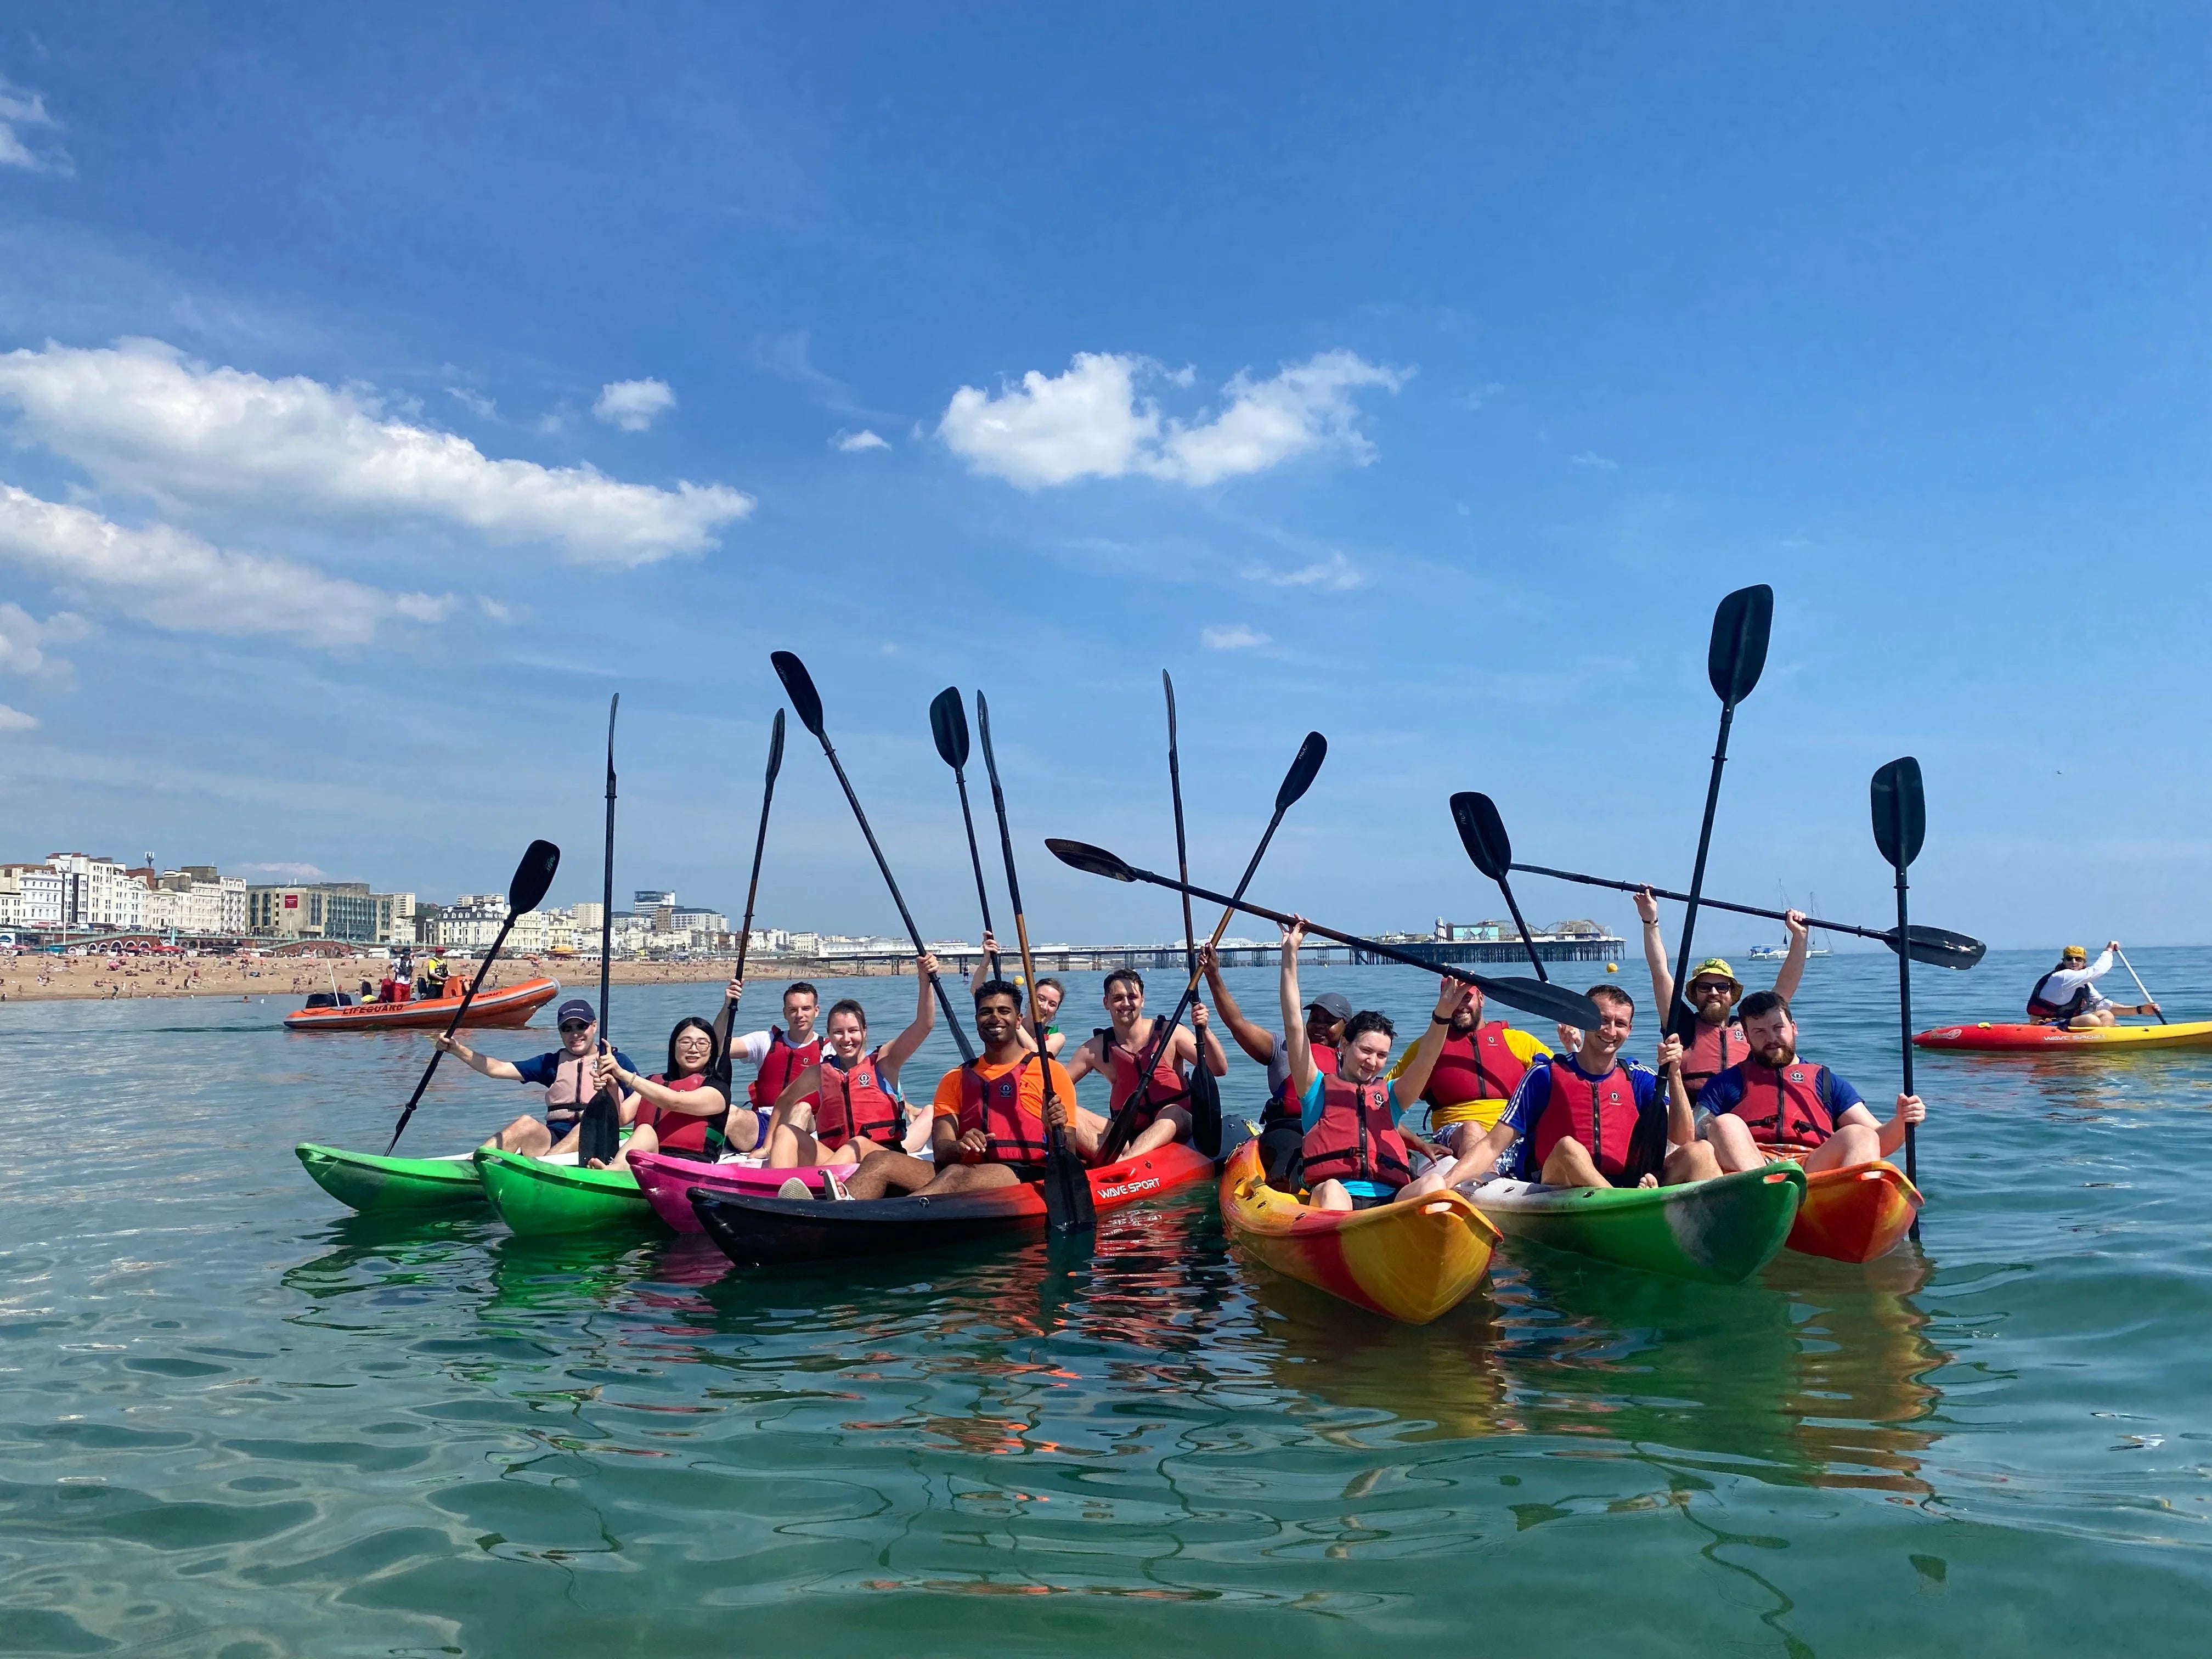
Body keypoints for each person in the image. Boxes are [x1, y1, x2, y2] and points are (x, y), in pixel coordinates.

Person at [1415, 983, 1719, 1193]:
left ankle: (1720, 1249)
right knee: (1569, 1148)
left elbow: (1682, 1137)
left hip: (1630, 1185)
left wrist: (1675, 1074)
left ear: (1630, 1029)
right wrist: (1448, 1181)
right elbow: (1493, 1145)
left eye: (1620, 1024)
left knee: (1702, 1151)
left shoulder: (1637, 1076)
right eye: (1602, 1020)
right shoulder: (1544, 1075)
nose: (1611, 1032)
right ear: (1582, 1019)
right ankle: (1619, 1207)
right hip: (1559, 1184)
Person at [842, 978, 1098, 1199]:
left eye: (1004, 1011)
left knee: (956, 1175)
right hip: (966, 1171)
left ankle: (886, 1220)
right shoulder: (955, 1078)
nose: (995, 1018)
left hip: (1025, 1173)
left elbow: (1069, 1153)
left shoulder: (1050, 1073)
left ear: (1018, 1019)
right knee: (879, 1160)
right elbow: (942, 1151)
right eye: (986, 1012)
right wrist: (960, 1146)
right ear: (977, 1020)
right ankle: (836, 1213)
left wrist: (1051, 1127)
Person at [1272, 919, 1462, 1211]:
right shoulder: (1315, 1089)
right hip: (1338, 1201)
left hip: (1389, 1204)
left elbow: (1426, 1059)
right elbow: (1294, 1025)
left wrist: (1444, 1013)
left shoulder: (1391, 1097)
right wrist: (1290, 957)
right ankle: (1339, 1251)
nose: (1373, 1062)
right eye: (1366, 1050)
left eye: (1382, 1055)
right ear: (1345, 1045)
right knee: (1332, 1189)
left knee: (1436, 1185)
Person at [1700, 991, 1926, 1172]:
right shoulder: (1725, 1083)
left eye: (1778, 1028)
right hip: (1753, 1167)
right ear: (1747, 1038)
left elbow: (1880, 1140)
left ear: (1794, 1028)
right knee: (1724, 1124)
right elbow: (1689, 1138)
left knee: (1861, 1134)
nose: (1771, 1039)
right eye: (1759, 1032)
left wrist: (1902, 1121)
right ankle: (1769, 1197)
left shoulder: (1826, 1082)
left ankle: (1848, 1213)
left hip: (1813, 1168)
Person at [765, 955, 940, 1173]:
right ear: (829, 1035)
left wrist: (925, 980)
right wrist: (766, 1146)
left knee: (855, 1144)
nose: (846, 1039)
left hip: (882, 1158)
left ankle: (813, 1185)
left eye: (853, 1031)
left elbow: (924, 1024)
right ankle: (780, 1192)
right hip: (837, 1160)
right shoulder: (819, 1073)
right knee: (786, 1133)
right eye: (838, 1032)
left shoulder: (885, 1062)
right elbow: (785, 1099)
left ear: (865, 1031)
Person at [1637, 888, 1809, 1103]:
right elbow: (1660, 973)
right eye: (1705, 988)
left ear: (1732, 993)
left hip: (1746, 1113)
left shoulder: (1752, 1027)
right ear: (1694, 994)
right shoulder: (1683, 1025)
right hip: (1695, 1114)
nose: (1713, 993)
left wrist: (1799, 938)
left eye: (1721, 987)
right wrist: (1650, 921)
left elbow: (1785, 988)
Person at [1200, 941, 1351, 1186]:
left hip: (1331, 1130)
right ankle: (1282, 1187)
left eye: (1330, 1021)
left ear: (1347, 1028)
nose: (1320, 1026)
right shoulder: (1282, 1047)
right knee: (1291, 1150)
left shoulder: (1353, 1060)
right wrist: (1214, 975)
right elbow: (1236, 1022)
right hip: (1287, 1129)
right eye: (1314, 1019)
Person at [438, 997, 637, 1155]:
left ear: (594, 1026)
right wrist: (457, 1050)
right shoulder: (551, 1063)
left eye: (581, 1026)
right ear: (560, 1032)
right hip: (554, 1138)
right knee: (525, 1123)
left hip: (597, 1144)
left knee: (585, 1125)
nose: (575, 1034)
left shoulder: (616, 1062)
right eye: (567, 1029)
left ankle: (542, 1171)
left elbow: (643, 1097)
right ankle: (472, 1167)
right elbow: (497, 1069)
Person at [1061, 967, 1227, 1157]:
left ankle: (1128, 1161)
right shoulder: (1095, 1049)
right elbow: (1058, 1085)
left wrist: (1204, 1029)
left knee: (1171, 1112)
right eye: (1117, 998)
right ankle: (1111, 1164)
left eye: (1132, 997)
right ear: (1106, 1003)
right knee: (1070, 1111)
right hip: (1127, 1136)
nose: (1125, 1003)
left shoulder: (1170, 1033)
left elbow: (1218, 1068)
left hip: (1180, 1126)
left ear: (1143, 1000)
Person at [1390, 978, 1551, 1154]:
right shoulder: (1426, 1048)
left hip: (1511, 1134)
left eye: (1466, 997)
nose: (1460, 1006)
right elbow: (1380, 1099)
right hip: (1455, 1134)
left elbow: (1561, 1077)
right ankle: (1483, 1179)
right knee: (1471, 1130)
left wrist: (1572, 1048)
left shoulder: (1518, 1041)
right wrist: (1417, 1143)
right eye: (1453, 999)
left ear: (1481, 999)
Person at [585, 1016, 732, 1169]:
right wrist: (613, 1088)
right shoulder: (653, 1082)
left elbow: (675, 1102)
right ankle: (617, 1170)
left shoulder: (718, 1090)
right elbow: (621, 1118)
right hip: (650, 1163)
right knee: (645, 1130)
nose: (693, 1049)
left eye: (702, 1044)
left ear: (712, 1050)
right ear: (674, 1046)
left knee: (645, 1129)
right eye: (685, 1042)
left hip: (692, 1167)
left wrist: (622, 1073)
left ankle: (615, 1171)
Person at [719, 980, 827, 1154]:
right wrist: (727, 1008)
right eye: (793, 1010)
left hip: (806, 1127)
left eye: (806, 1009)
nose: (800, 1015)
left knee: (803, 1108)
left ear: (816, 1011)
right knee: (730, 1112)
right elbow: (716, 1048)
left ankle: (778, 1154)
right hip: (764, 1122)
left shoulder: (828, 1050)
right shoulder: (765, 1041)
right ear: (785, 1013)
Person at [969, 934, 1065, 1056]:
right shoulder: (1004, 1024)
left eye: (1052, 1004)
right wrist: (986, 960)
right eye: (1041, 999)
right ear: (1030, 999)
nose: (1044, 1006)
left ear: (1056, 1011)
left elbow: (1039, 1056)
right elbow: (977, 991)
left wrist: (1015, 1024)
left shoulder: (1057, 1037)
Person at [2026, 943, 2158, 1028]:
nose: (2073, 962)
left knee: (2106, 1015)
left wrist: (2141, 1010)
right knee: (2091, 1020)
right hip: (2043, 1025)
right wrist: (2109, 950)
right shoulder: (2062, 977)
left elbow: (2107, 1006)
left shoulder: (2085, 985)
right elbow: (2098, 970)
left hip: (2066, 1024)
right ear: (2064, 962)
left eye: (2078, 959)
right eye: (2069, 959)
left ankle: (2101, 1051)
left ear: (2084, 963)